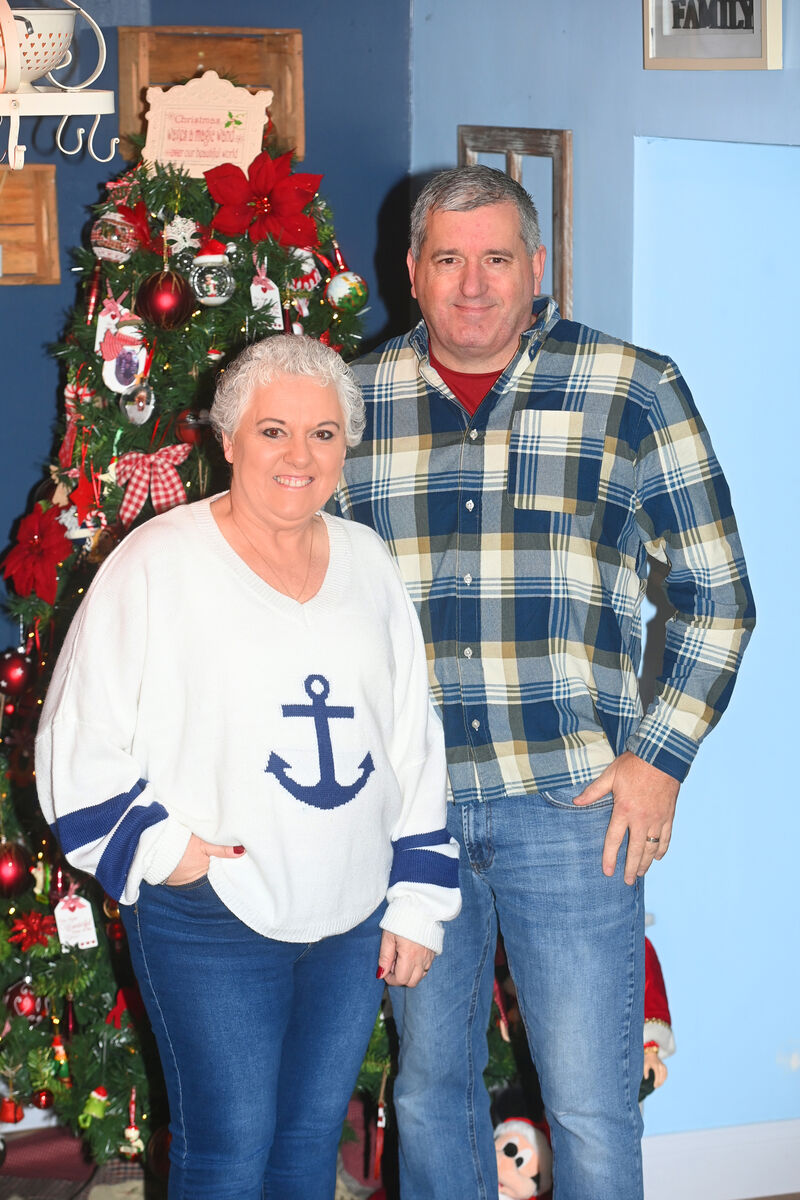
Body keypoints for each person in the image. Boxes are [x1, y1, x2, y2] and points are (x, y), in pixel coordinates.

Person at [333, 165, 754, 1199]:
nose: (471, 285)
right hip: (412, 815)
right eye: (446, 260)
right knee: (431, 1087)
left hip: (573, 809)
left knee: (590, 1102)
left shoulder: (629, 387)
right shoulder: (348, 404)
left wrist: (656, 763)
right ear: (411, 272)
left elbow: (716, 594)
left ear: (536, 269)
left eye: (494, 258)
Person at [35, 334, 460, 1200]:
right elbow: (76, 744)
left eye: (324, 434)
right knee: (228, 1150)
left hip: (350, 916)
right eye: (273, 431)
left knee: (307, 1146)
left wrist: (418, 897)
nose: (299, 457)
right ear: (227, 440)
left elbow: (412, 740)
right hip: (210, 915)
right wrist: (165, 853)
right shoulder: (159, 563)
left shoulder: (369, 565)